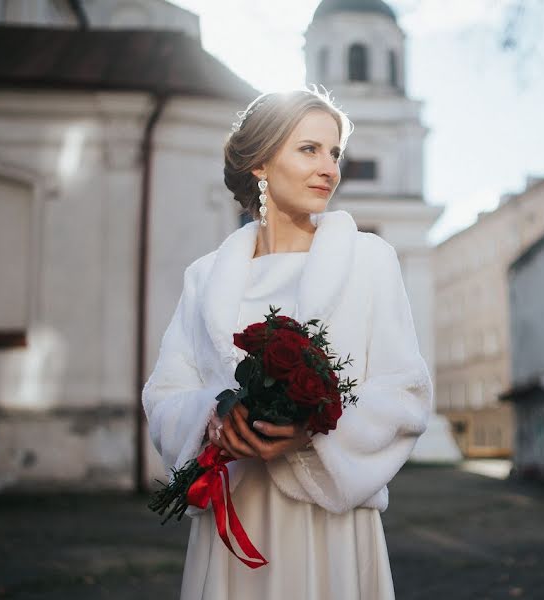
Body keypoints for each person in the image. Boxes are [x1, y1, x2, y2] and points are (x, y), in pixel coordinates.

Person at [142, 89, 432, 600]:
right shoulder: (205, 277)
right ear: (260, 163)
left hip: (331, 521)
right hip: (236, 512)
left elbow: (406, 392)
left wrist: (312, 432)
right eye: (309, 149)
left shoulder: (370, 261)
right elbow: (166, 392)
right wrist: (213, 419)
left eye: (335, 153)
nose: (329, 168)